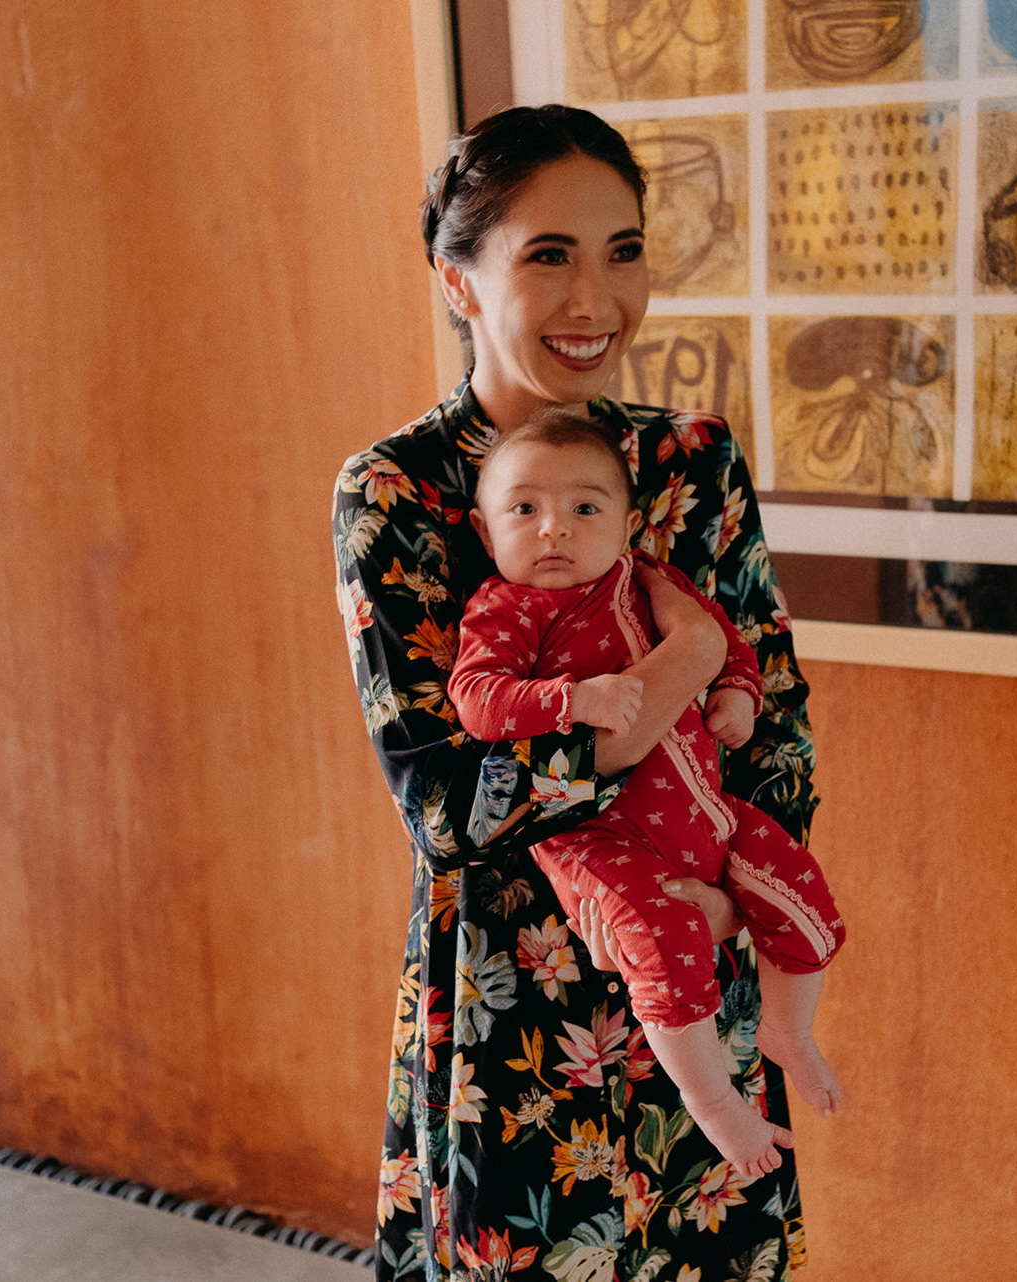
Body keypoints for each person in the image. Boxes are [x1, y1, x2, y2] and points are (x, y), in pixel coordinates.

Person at [333, 103, 821, 1282]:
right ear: (459, 279)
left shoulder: (691, 460)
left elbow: (779, 738)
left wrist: (731, 902)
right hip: (516, 1008)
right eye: (548, 255)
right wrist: (674, 671)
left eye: (622, 251)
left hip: (697, 975)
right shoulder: (397, 491)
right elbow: (446, 803)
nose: (595, 301)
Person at [448, 407, 845, 1180]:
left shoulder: (653, 583)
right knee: (664, 941)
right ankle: (715, 1103)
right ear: (487, 531)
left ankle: (790, 1030)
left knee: (801, 888)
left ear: (628, 526)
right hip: (600, 838)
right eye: (524, 509)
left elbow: (727, 641)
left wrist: (737, 692)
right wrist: (572, 699)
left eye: (583, 508)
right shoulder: (508, 607)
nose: (554, 528)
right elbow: (478, 699)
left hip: (707, 813)